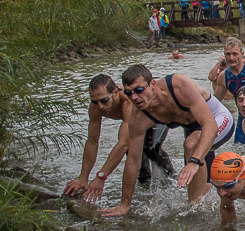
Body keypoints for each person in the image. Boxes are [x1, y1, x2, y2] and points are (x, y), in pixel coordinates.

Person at [99, 64, 234, 217]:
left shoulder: (179, 86)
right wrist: (124, 205)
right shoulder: (138, 117)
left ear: (152, 84)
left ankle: (196, 212)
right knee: (201, 174)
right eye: (129, 93)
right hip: (193, 130)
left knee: (191, 145)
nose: (134, 97)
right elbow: (133, 161)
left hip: (217, 119)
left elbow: (210, 126)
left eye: (139, 90)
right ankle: (210, 196)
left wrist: (194, 161)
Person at [64, 74, 173, 202]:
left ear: (115, 92)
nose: (100, 106)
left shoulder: (127, 101)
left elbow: (123, 143)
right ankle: (146, 197)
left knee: (150, 148)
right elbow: (92, 142)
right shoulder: (95, 108)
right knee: (139, 166)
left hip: (157, 117)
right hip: (137, 123)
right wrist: (83, 178)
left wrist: (101, 176)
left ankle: (172, 179)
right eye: (95, 101)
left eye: (104, 100)